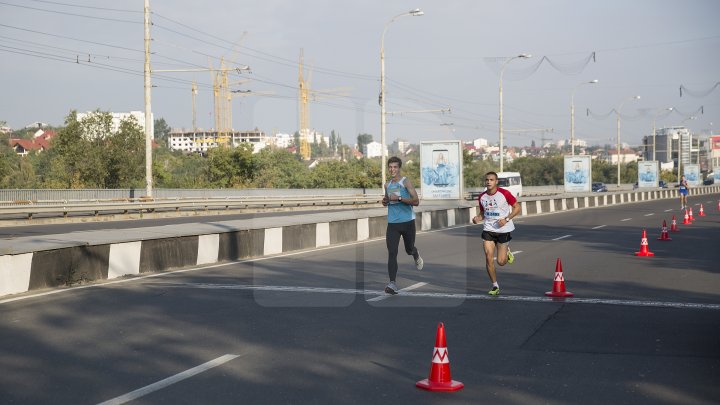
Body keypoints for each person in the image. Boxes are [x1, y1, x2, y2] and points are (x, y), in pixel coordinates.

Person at [472, 171, 521, 296]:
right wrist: (477, 218)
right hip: (488, 229)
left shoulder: (504, 194)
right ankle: (495, 286)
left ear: (496, 181)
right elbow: (483, 213)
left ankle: (507, 251)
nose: (488, 182)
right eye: (487, 180)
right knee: (489, 258)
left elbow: (517, 207)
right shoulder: (482, 196)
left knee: (501, 262)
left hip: (503, 230)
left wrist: (507, 219)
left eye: (491, 180)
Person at [382, 156, 423, 295]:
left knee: (409, 249)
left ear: (399, 168)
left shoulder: (405, 182)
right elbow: (388, 200)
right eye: (390, 167)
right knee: (392, 253)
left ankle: (415, 254)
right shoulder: (387, 185)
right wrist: (385, 201)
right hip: (393, 223)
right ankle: (392, 283)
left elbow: (416, 201)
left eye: (395, 167)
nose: (392, 169)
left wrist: (399, 198)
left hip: (407, 222)